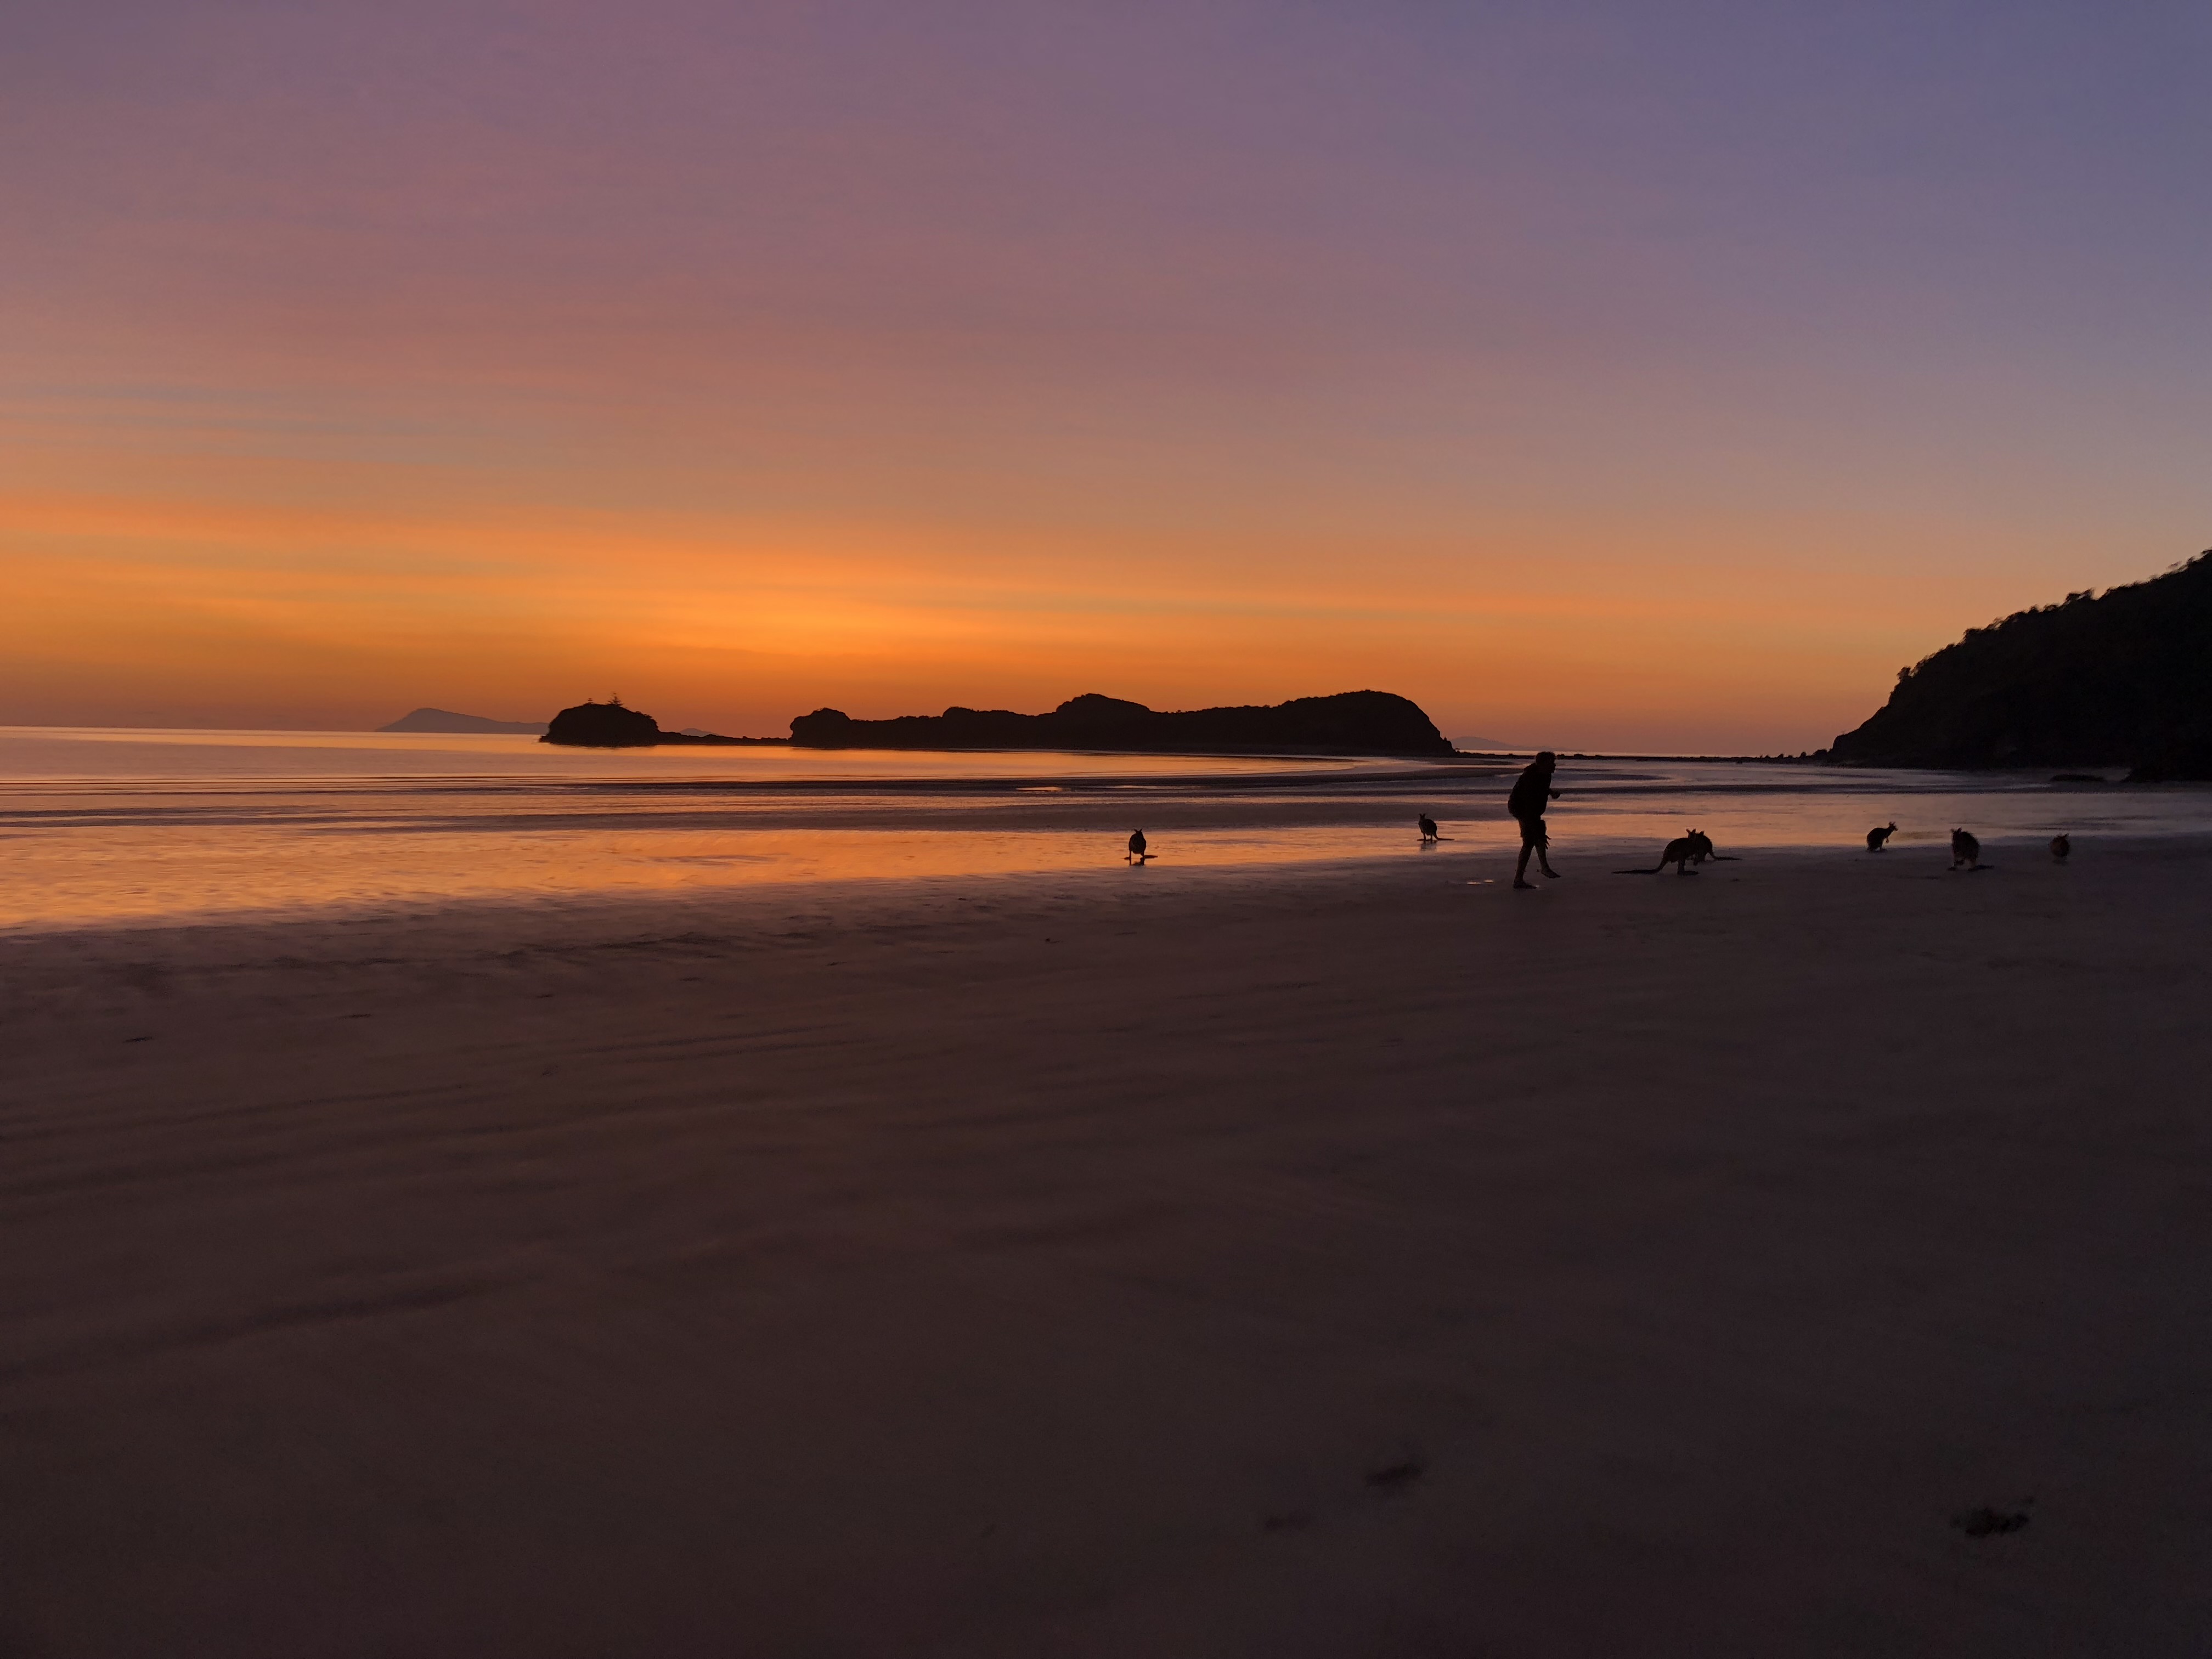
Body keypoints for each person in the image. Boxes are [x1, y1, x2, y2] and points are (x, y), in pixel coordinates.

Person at [1508, 752, 1562, 889]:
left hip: (1532, 810)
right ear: (1543, 764)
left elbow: (1542, 789)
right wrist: (1533, 824)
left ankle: (1541, 869)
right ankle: (1524, 877)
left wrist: (1550, 793)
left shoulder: (1545, 776)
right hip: (1522, 809)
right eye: (1552, 763)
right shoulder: (1531, 777)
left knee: (1536, 837)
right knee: (1532, 839)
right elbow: (1527, 801)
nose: (1554, 766)